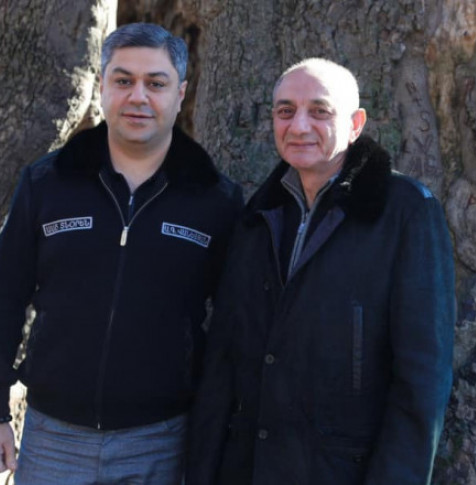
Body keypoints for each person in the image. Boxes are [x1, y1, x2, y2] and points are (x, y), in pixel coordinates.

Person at [0, 22, 243, 484]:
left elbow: (233, 323)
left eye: (156, 83)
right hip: (53, 437)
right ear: (102, 86)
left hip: (160, 440)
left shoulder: (216, 200)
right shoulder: (47, 183)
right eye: (123, 80)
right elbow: (2, 297)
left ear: (181, 93)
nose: (138, 97)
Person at [187, 58, 456, 485]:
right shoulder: (258, 217)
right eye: (286, 110)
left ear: (355, 124)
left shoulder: (405, 212)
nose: (299, 126)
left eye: (320, 111)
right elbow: (223, 362)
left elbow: (422, 378)